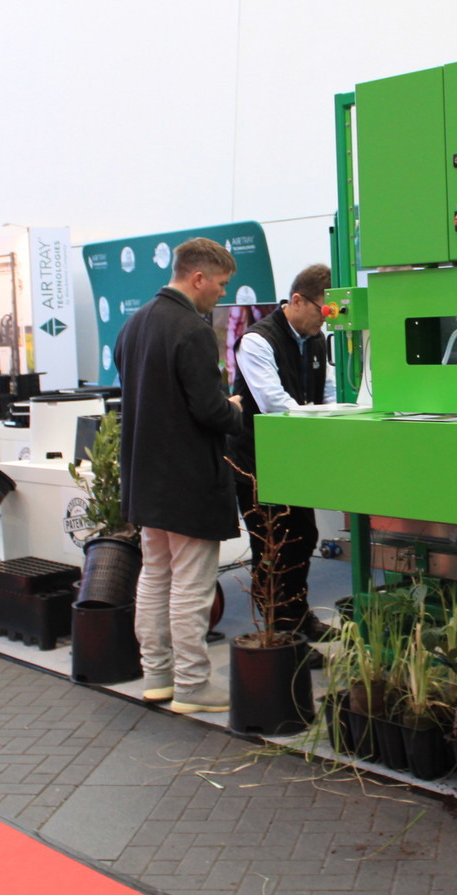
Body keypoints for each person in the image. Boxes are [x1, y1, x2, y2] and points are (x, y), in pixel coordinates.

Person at [114, 237, 243, 714]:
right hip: (188, 480)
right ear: (197, 277)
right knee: (191, 585)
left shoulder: (134, 324)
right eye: (220, 285)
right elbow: (209, 411)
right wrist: (234, 409)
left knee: (155, 576)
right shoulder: (192, 330)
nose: (222, 294)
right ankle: (192, 685)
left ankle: (158, 678)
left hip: (146, 479)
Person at [228, 264, 336, 652]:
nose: (325, 320)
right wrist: (319, 418)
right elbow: (274, 402)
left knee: (303, 537)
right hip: (256, 462)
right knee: (271, 547)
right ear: (297, 300)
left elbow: (328, 391)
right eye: (322, 310)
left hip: (293, 460)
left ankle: (297, 616)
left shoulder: (317, 341)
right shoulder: (257, 341)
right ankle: (281, 636)